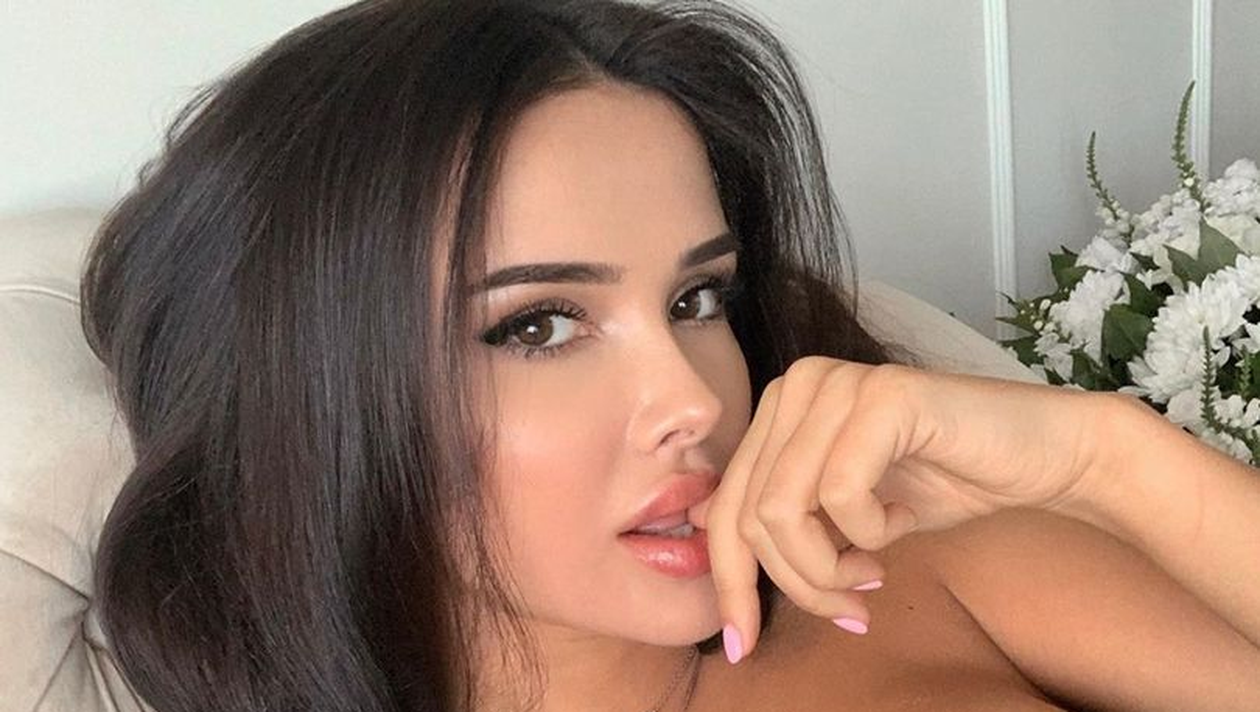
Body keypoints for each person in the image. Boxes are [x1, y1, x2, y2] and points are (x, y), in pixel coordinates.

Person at [76, 0, 1260, 710]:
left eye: (698, 299)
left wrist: (1107, 459)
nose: (692, 398)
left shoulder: (918, 576)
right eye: (537, 325)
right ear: (307, 401)